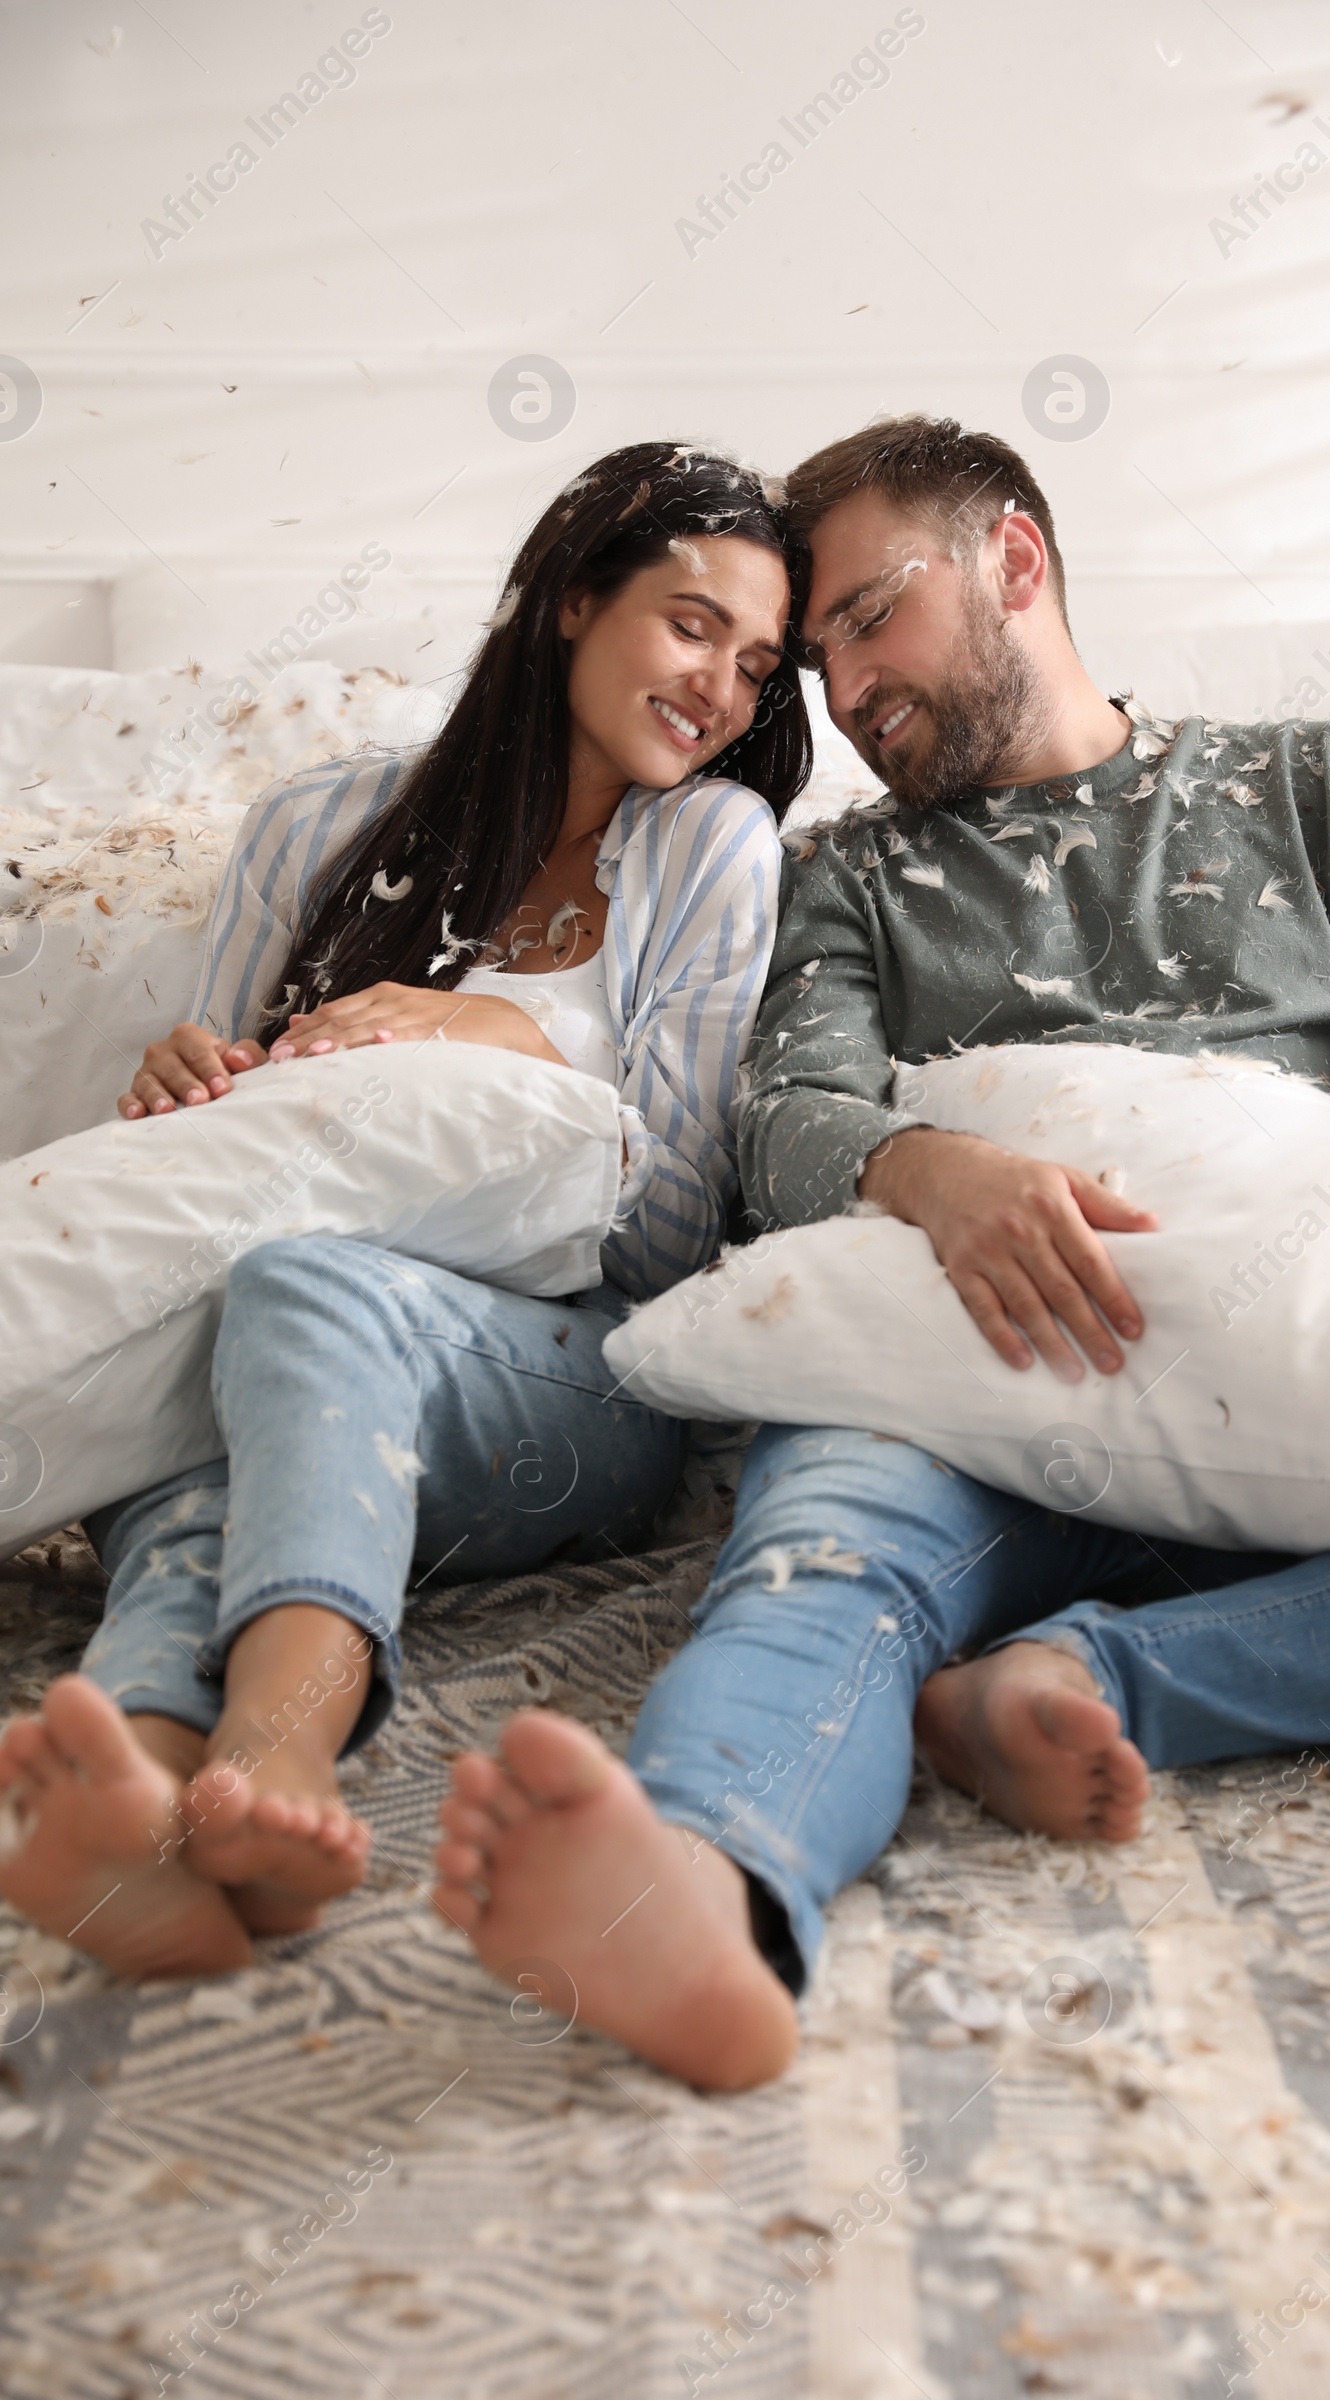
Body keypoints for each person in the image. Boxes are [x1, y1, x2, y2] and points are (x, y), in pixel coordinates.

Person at [430, 415, 1330, 2093]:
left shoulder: (1321, 779)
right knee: (825, 1558)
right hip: (965, 1371)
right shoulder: (846, 877)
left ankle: (1101, 1678)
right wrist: (927, 1166)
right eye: (811, 660)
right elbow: (779, 1121)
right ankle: (703, 1894)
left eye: (866, 620)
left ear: (1016, 561)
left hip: (1310, 1386)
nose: (841, 691)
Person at [0, 441, 810, 1982]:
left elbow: (669, 1240)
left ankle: (277, 1757)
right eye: (693, 623)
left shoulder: (707, 845)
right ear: (576, 599)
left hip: (570, 1376)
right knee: (209, 1368)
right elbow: (213, 1154)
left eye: (759, 664)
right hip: (260, 1346)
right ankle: (147, 1795)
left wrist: (496, 1032)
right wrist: (178, 1072)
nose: (722, 686)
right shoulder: (313, 827)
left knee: (305, 1289)